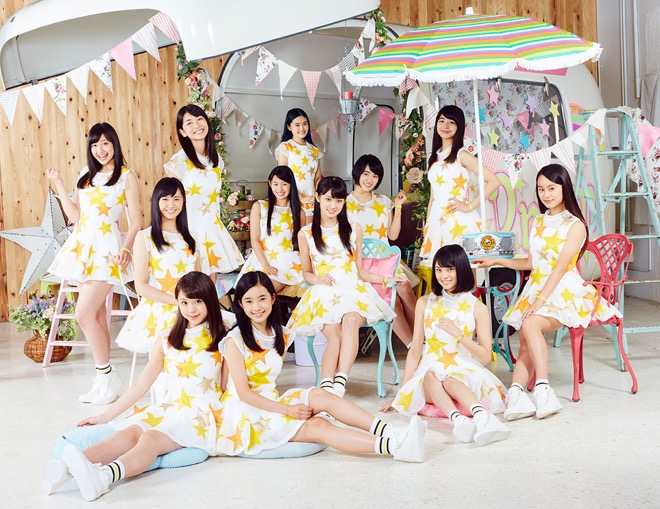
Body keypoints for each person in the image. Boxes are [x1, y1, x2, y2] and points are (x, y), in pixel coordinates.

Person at [42, 272, 227, 501]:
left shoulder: (224, 334)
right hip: (170, 408)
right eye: (184, 302)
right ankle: (64, 468)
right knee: (129, 433)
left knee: (150, 439)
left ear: (209, 299)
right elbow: (141, 384)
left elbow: (228, 387)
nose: (191, 309)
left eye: (198, 301)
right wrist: (104, 416)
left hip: (201, 414)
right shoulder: (168, 338)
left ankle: (104, 477)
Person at [217, 271, 426, 462]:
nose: (256, 307)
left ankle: (392, 431)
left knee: (321, 395)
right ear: (241, 305)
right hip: (245, 414)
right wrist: (287, 410)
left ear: (273, 298)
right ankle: (397, 446)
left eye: (262, 298)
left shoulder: (281, 334)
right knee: (319, 426)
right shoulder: (235, 340)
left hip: (269, 401)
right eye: (249, 301)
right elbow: (243, 394)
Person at [474, 163, 621, 420]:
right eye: (541, 189)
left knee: (530, 324)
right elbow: (532, 263)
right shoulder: (538, 221)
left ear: (564, 188)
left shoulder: (575, 225)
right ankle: (517, 394)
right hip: (538, 288)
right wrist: (496, 260)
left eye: (552, 188)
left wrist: (540, 301)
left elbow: (562, 267)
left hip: (564, 290)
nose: (546, 194)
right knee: (525, 340)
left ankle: (543, 389)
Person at [47, 122, 141, 405]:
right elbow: (75, 216)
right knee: (96, 316)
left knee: (83, 314)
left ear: (114, 144)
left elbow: (136, 221)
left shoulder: (126, 176)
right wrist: (59, 185)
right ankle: (104, 381)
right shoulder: (85, 175)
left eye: (105, 143)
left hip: (107, 250)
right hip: (81, 248)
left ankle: (107, 374)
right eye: (95, 144)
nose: (100, 149)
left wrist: (126, 248)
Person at [287, 177, 404, 397]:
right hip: (325, 293)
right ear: (318, 198)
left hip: (354, 291)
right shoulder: (306, 234)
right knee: (335, 337)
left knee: (351, 321)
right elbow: (306, 273)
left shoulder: (353, 229)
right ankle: (326, 387)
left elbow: (361, 272)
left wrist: (387, 279)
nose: (333, 205)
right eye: (328, 199)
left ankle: (340, 382)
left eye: (339, 200)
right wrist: (318, 279)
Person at [381, 245, 510, 446]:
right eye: (439, 270)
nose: (443, 276)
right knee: (431, 375)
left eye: (450, 269)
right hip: (430, 370)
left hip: (463, 369)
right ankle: (459, 421)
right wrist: (401, 394)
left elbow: (485, 357)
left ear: (462, 269)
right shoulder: (425, 302)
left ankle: (482, 418)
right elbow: (415, 350)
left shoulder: (477, 307)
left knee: (449, 379)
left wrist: (459, 335)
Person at [115, 178, 199, 354]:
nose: (171, 205)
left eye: (176, 199)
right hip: (161, 306)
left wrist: (192, 303)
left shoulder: (192, 238)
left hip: (191, 307)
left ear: (184, 201)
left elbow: (199, 280)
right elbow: (141, 286)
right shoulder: (145, 237)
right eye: (165, 199)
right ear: (156, 202)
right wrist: (178, 302)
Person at [346, 154, 418, 347]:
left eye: (375, 176)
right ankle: (413, 345)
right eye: (366, 174)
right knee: (392, 299)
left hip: (386, 262)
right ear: (357, 173)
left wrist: (398, 207)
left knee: (404, 288)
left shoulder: (384, 201)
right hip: (360, 266)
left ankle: (423, 337)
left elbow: (393, 235)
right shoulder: (343, 203)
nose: (370, 179)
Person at [165, 104, 243, 278]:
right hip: (188, 231)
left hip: (211, 230)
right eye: (189, 123)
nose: (197, 125)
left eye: (200, 119)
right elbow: (169, 202)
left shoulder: (216, 160)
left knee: (209, 287)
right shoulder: (179, 161)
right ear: (182, 132)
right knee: (191, 285)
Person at [419, 105, 501, 264]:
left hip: (458, 219)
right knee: (441, 266)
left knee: (464, 265)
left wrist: (469, 206)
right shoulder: (434, 158)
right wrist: (428, 224)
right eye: (441, 121)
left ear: (459, 127)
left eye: (451, 122)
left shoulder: (461, 155)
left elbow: (494, 181)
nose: (445, 126)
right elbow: (433, 197)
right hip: (437, 220)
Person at [237, 166, 304, 292]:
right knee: (249, 291)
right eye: (276, 184)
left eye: (284, 184)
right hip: (261, 259)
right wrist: (266, 266)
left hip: (286, 261)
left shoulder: (299, 212)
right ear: (269, 183)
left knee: (265, 290)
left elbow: (302, 243)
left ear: (291, 185)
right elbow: (254, 240)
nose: (280, 189)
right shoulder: (260, 206)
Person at [276, 108, 322, 223]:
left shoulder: (315, 150)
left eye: (305, 124)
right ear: (289, 127)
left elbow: (317, 178)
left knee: (311, 232)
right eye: (297, 125)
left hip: (312, 200)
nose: (302, 128)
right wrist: (300, 197)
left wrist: (318, 196)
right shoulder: (285, 147)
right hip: (293, 199)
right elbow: (283, 178)